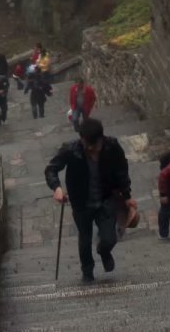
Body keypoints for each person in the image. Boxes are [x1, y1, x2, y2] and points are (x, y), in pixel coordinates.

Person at [44, 117, 135, 283]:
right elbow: (51, 169)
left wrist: (127, 196)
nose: (90, 149)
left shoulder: (112, 147)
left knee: (110, 237)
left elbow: (122, 171)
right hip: (81, 202)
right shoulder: (71, 150)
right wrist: (56, 188)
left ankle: (104, 251)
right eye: (87, 145)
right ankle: (87, 271)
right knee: (84, 238)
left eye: (94, 146)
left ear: (101, 139)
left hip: (106, 199)